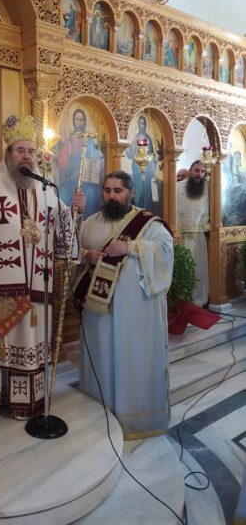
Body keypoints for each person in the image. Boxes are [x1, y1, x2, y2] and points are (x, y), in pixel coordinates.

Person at [0, 114, 85, 419]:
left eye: (31, 151)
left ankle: (27, 400)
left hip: (36, 285)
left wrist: (75, 212)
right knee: (0, 339)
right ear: (8, 154)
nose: (27, 156)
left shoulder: (47, 189)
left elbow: (63, 230)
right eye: (20, 150)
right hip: (0, 287)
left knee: (29, 340)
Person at [75, 171, 173, 439]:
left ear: (131, 193)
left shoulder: (148, 223)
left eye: (117, 191)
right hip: (99, 313)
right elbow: (74, 251)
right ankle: (100, 414)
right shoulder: (91, 223)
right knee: (102, 357)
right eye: (107, 190)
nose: (111, 196)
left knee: (132, 358)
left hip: (136, 314)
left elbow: (166, 249)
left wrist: (129, 248)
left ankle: (136, 418)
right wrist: (88, 256)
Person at [54, 108, 105, 219]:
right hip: (71, 181)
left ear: (85, 122)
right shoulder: (69, 141)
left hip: (87, 181)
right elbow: (61, 163)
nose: (79, 123)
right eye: (77, 120)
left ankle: (88, 224)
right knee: (62, 195)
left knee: (92, 194)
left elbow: (97, 158)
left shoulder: (90, 141)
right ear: (73, 121)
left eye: (82, 120)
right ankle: (67, 224)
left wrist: (95, 160)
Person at [176, 160, 210, 306]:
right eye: (196, 170)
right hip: (180, 236)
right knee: (182, 268)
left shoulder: (209, 188)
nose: (200, 174)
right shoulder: (177, 187)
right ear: (190, 171)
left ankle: (197, 300)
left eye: (203, 171)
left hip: (199, 235)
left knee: (198, 269)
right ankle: (180, 299)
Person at [125, 114, 157, 212]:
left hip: (147, 169)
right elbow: (130, 155)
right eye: (140, 123)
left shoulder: (148, 138)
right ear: (138, 125)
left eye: (143, 123)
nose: (141, 125)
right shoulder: (135, 138)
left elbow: (152, 156)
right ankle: (137, 210)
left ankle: (146, 209)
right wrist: (126, 146)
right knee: (138, 190)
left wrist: (153, 170)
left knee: (146, 191)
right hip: (137, 168)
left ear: (145, 125)